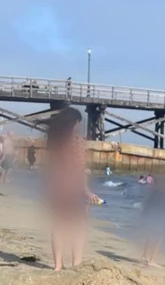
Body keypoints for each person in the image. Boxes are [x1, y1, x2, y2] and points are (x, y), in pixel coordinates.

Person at [44, 107, 101, 271]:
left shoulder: (54, 140)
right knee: (78, 226)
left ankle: (57, 266)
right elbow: (79, 169)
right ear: (74, 123)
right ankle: (76, 264)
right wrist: (86, 191)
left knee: (58, 225)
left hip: (56, 186)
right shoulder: (76, 141)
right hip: (73, 187)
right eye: (78, 123)